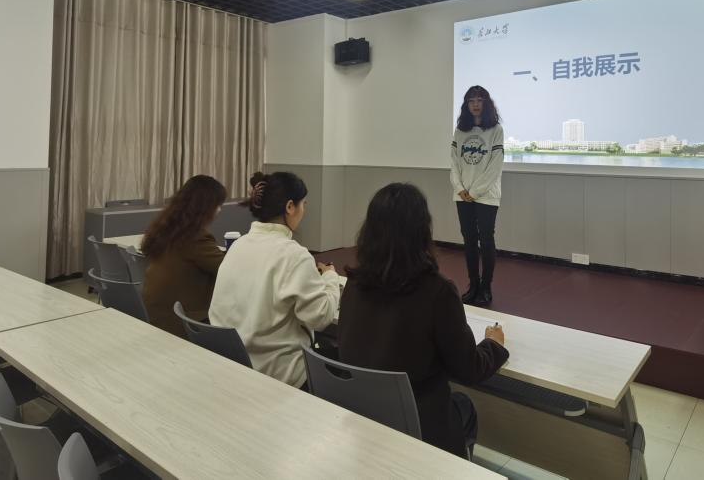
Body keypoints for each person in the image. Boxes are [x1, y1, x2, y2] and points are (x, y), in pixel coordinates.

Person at [338, 183, 508, 459]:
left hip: (363, 420)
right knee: (464, 405)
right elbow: (470, 369)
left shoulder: (354, 284)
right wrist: (493, 344)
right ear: (423, 230)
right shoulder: (437, 291)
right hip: (417, 427)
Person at [209, 171, 340, 389]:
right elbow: (320, 317)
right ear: (290, 207)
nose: (304, 210)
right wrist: (330, 278)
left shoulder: (238, 245)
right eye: (303, 204)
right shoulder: (295, 255)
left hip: (233, 367)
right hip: (279, 376)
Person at [140, 175, 228, 338]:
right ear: (205, 206)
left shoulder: (168, 227)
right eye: (218, 205)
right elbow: (227, 269)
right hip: (180, 321)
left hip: (156, 311)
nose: (219, 210)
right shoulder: (195, 236)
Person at [451, 85, 504, 306]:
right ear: (466, 104)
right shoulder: (460, 130)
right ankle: (473, 285)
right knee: (469, 240)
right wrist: (459, 188)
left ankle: (485, 287)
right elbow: (454, 163)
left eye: (479, 100)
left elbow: (495, 167)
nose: (475, 104)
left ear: (486, 103)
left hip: (486, 196)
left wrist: (474, 192)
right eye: (471, 100)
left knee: (486, 240)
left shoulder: (496, 130)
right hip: (462, 195)